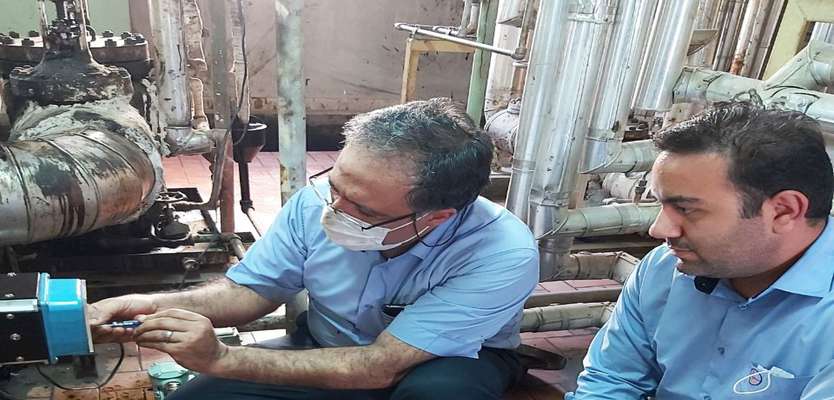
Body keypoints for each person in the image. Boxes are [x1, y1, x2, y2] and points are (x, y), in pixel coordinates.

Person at [89, 98, 539, 400]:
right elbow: (251, 291)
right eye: (335, 185)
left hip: (442, 363)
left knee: (438, 394)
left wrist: (221, 358)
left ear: (436, 216)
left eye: (362, 207)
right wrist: (147, 305)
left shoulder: (500, 253)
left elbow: (381, 365)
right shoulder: (315, 202)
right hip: (329, 345)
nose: (333, 210)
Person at [567, 102, 834, 399]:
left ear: (784, 211)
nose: (658, 229)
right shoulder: (663, 268)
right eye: (660, 204)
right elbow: (613, 378)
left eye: (685, 208)